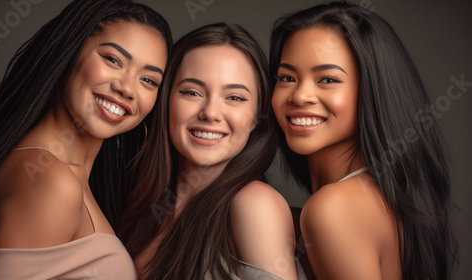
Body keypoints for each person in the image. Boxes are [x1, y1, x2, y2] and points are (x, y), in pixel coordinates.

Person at [0, 0, 172, 278]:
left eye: (149, 80)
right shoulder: (50, 180)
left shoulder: (58, 173)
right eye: (113, 60)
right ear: (69, 53)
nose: (127, 88)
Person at [270, 1, 457, 280]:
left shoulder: (333, 210)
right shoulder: (382, 198)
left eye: (328, 80)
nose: (299, 96)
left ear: (372, 90)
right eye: (287, 77)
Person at [118, 23, 305, 279]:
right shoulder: (143, 200)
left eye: (235, 98)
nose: (210, 113)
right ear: (166, 102)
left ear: (255, 118)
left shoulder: (255, 204)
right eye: (192, 92)